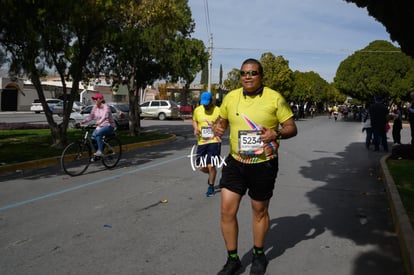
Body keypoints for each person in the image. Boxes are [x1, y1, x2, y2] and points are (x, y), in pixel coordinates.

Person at [213, 58, 297, 275]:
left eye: (252, 73)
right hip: (235, 162)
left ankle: (259, 254)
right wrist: (218, 128)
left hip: (263, 164)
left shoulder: (274, 97)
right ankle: (233, 259)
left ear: (261, 76)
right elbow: (221, 121)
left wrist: (276, 133)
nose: (247, 77)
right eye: (243, 73)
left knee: (259, 211)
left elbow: (291, 127)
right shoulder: (231, 97)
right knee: (226, 210)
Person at [192, 91, 221, 197]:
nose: (205, 105)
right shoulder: (197, 110)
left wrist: (219, 131)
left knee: (211, 165)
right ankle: (213, 174)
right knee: (200, 166)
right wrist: (195, 128)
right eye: (203, 103)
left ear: (212, 101)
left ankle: (211, 186)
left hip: (214, 141)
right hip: (202, 141)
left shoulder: (218, 110)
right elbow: (194, 120)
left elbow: (223, 124)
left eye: (207, 103)